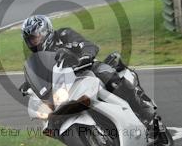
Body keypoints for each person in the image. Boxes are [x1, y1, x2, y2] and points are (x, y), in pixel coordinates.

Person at [21, 14, 156, 127]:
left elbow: (86, 44)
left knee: (110, 79)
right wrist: (28, 84)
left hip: (86, 68)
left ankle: (143, 111)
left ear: (45, 31)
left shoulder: (64, 34)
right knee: (52, 118)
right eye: (30, 40)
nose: (33, 43)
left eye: (35, 37)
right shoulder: (37, 58)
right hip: (67, 84)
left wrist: (86, 55)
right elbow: (38, 73)